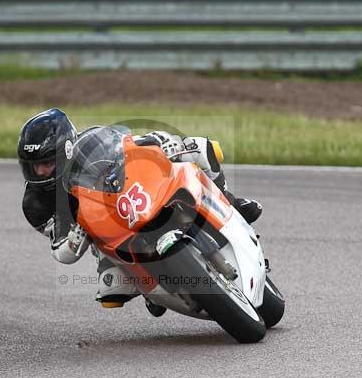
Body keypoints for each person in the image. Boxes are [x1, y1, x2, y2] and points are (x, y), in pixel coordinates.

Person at [18, 108, 263, 307]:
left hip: (135, 193)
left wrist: (162, 144)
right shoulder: (35, 204)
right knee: (112, 286)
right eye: (34, 166)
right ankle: (151, 287)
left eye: (47, 163)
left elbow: (131, 143)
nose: (39, 172)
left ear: (66, 150)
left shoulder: (91, 142)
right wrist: (76, 235)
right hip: (105, 234)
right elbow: (62, 251)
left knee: (198, 147)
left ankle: (231, 202)